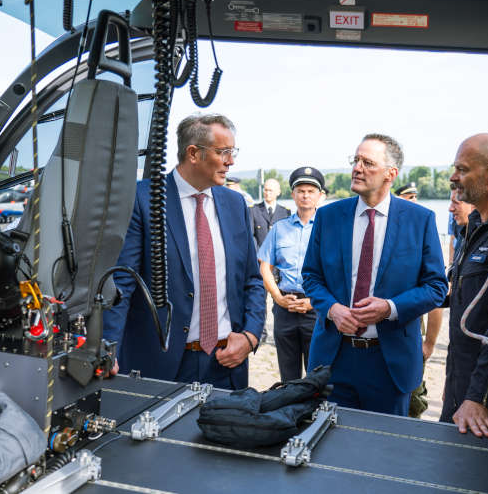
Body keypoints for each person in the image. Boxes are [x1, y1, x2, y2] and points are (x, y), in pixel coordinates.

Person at [103, 113, 265, 390]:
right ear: (193, 153)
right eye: (223, 152)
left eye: (232, 152)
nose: (231, 161)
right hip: (161, 365)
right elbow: (123, 283)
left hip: (227, 362)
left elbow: (252, 280)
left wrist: (250, 336)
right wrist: (107, 346)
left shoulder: (236, 204)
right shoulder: (143, 200)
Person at [303, 134, 448, 415]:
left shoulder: (421, 220)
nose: (357, 168)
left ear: (390, 174)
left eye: (367, 162)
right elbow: (311, 276)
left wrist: (390, 308)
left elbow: (436, 287)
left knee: (383, 453)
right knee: (328, 447)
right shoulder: (328, 217)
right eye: (355, 160)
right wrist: (333, 309)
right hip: (334, 358)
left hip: (390, 362)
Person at [441, 133, 488, 437]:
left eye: (462, 169)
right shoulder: (476, 228)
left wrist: (477, 396)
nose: (453, 178)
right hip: (459, 384)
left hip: (484, 403)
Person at [257, 167, 324, 382]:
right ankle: (290, 414)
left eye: (311, 191)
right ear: (293, 195)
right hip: (285, 306)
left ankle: (315, 416)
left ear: (320, 196)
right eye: (301, 190)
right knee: (288, 376)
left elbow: (337, 273)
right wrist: (278, 298)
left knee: (316, 375)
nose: (305, 195)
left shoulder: (328, 228)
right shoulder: (279, 228)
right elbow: (265, 266)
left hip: (315, 309)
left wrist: (314, 302)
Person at [394, 180, 442, 418]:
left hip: (409, 331)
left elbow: (435, 296)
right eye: (408, 197)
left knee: (412, 400)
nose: (413, 202)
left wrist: (430, 342)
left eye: (415, 197)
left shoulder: (423, 230)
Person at [251, 178, 290, 250]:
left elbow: (287, 236)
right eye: (266, 190)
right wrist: (259, 255)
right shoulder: (253, 210)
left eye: (270, 190)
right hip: (259, 258)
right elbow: (251, 236)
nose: (267, 193)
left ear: (278, 192)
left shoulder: (285, 212)